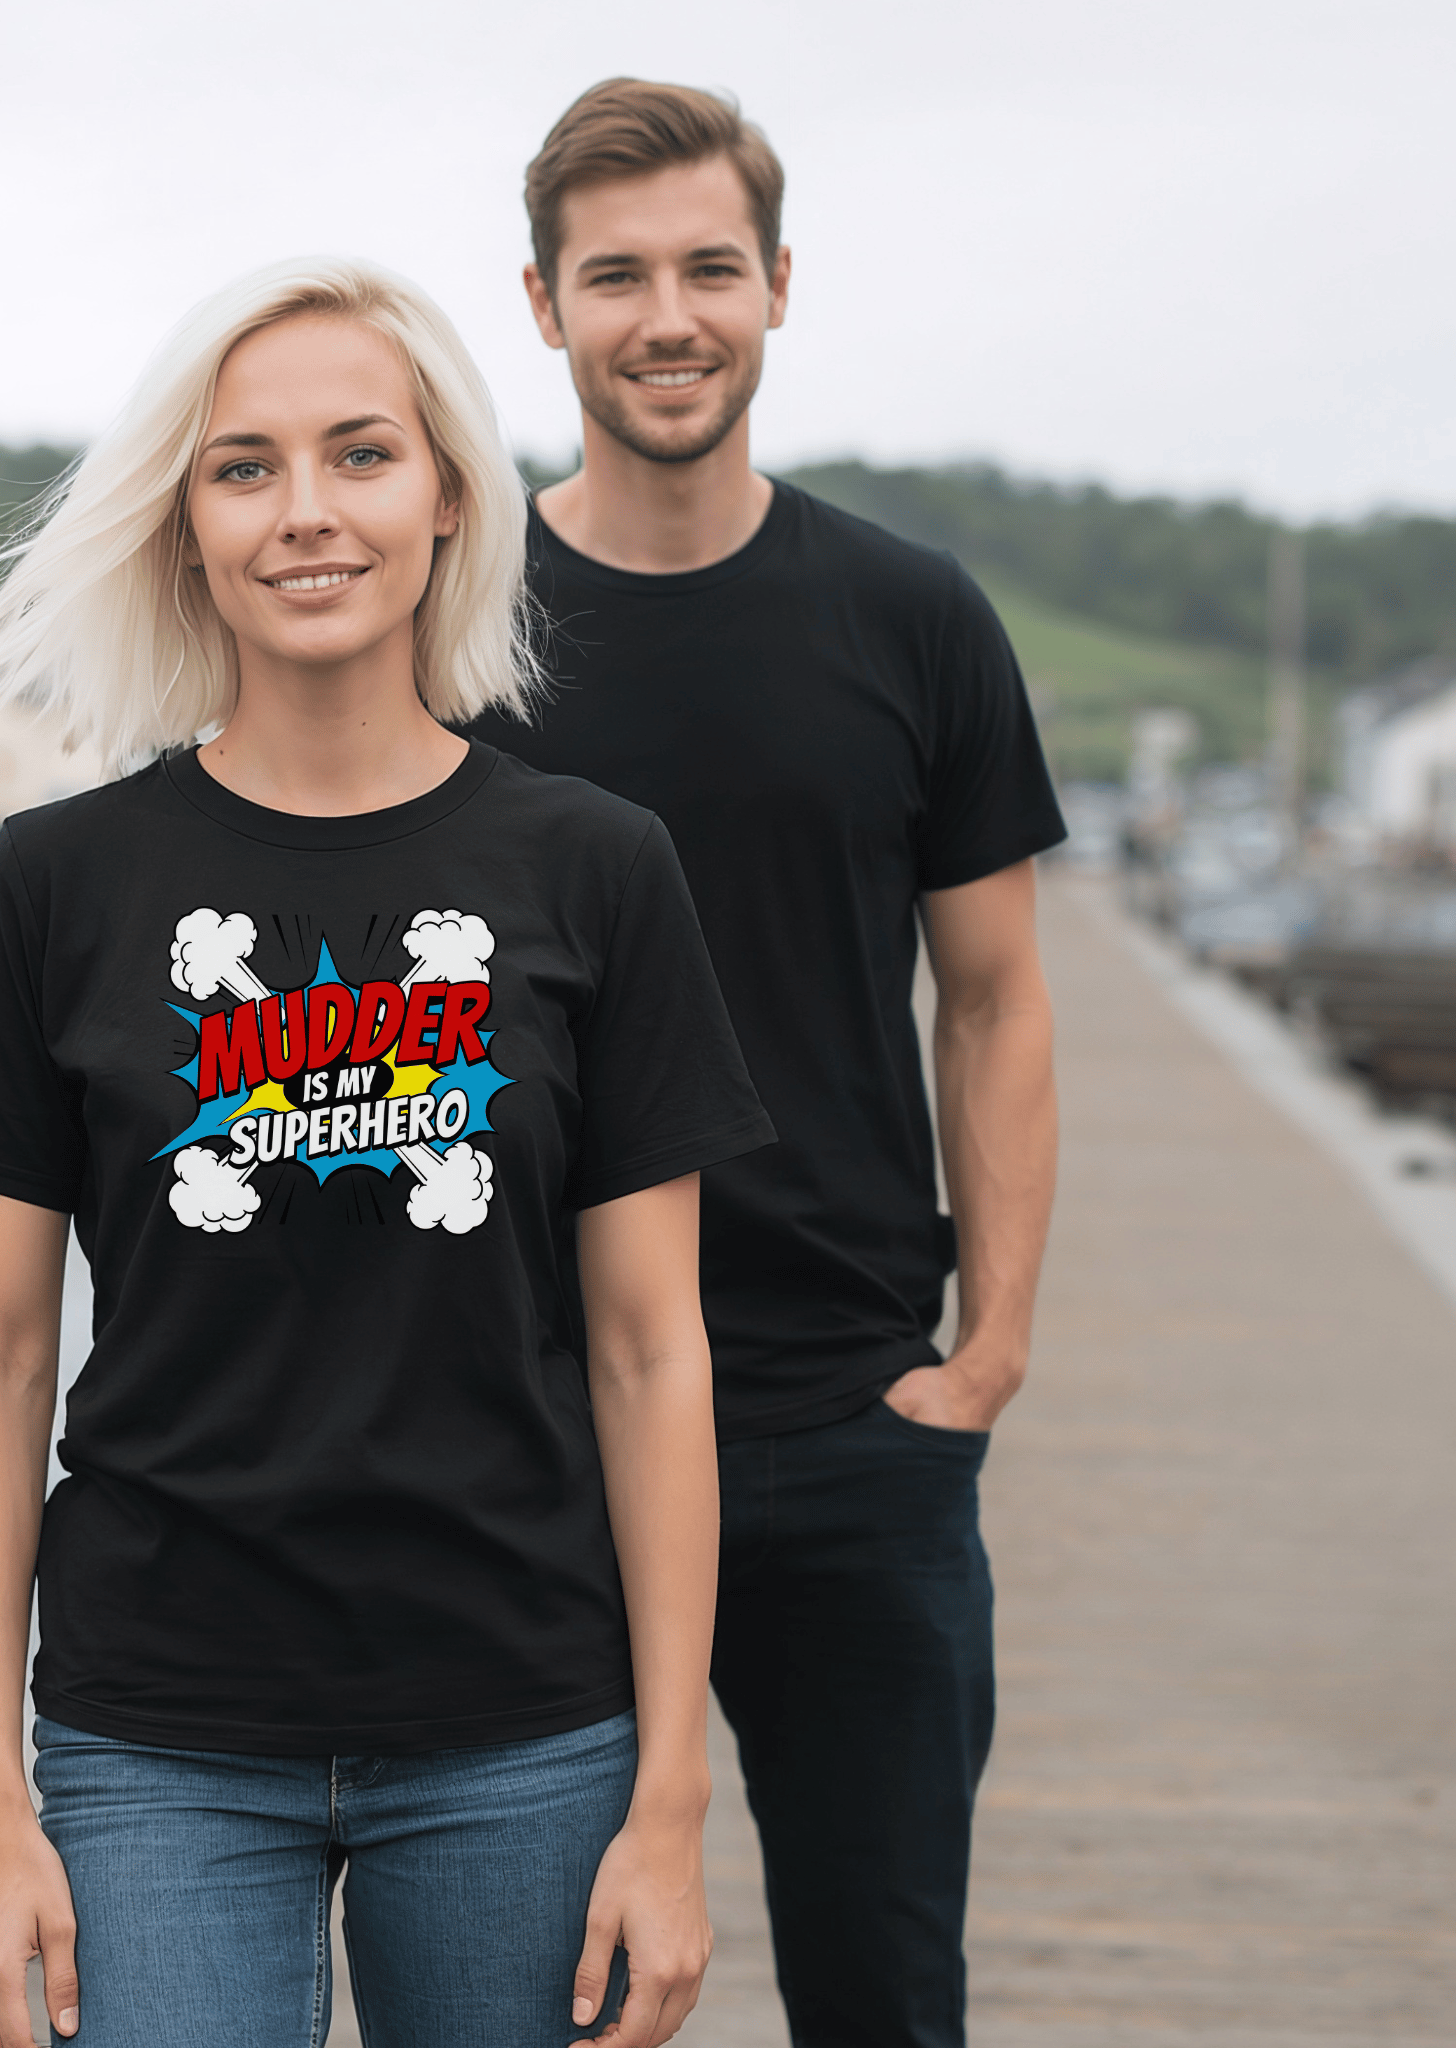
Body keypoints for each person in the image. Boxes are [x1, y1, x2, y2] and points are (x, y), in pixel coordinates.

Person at [0, 256, 776, 2048]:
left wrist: (671, 1798)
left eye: (361, 455)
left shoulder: (597, 869)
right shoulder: (58, 884)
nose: (306, 514)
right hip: (157, 1736)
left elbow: (652, 1348)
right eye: (244, 467)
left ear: (448, 496)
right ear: (185, 525)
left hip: (522, 1721)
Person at [475, 79, 1065, 2048]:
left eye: (709, 267)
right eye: (616, 273)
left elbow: (990, 997)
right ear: (544, 305)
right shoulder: (449, 635)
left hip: (842, 1417)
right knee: (530, 2001)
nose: (668, 314)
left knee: (882, 1996)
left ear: (779, 288)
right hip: (522, 1431)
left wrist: (983, 1359)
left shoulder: (910, 619)